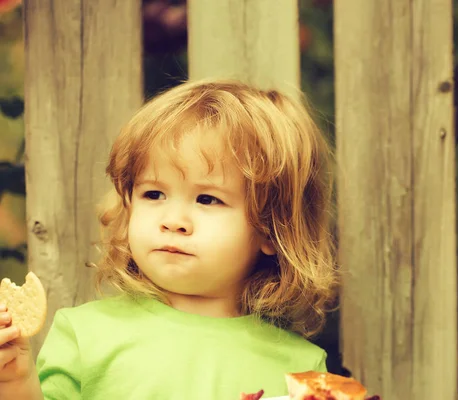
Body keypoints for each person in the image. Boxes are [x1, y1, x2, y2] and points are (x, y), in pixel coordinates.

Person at [0, 80, 338, 399]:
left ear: (270, 228)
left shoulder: (302, 371)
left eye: (207, 199)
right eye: (154, 193)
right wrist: (15, 381)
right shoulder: (85, 335)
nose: (173, 221)